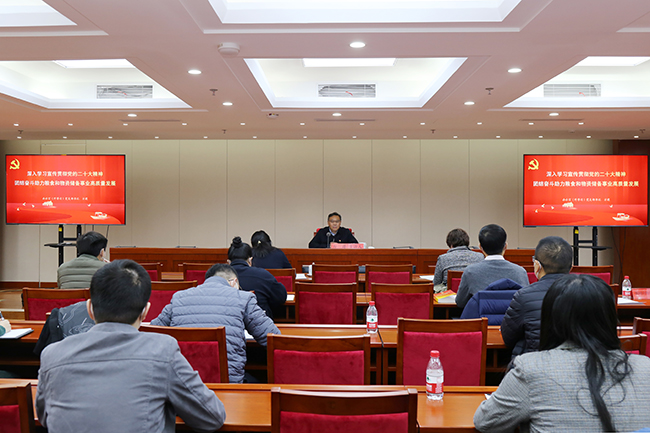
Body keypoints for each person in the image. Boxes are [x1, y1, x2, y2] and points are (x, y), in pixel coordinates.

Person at [36, 260, 225, 433]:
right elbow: (212, 416)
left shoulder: (52, 355)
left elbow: (44, 417)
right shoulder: (163, 351)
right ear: (145, 311)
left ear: (90, 309)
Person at [474, 274, 650, 432]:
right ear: (610, 318)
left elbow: (485, 422)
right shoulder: (645, 367)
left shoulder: (530, 369)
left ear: (551, 319)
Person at [152, 263, 280, 383]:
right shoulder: (243, 298)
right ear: (234, 282)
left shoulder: (179, 298)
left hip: (182, 381)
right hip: (228, 383)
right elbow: (274, 337)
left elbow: (152, 331)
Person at [501, 236, 573, 358]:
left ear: (537, 265)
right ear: (571, 267)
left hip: (535, 362)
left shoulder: (524, 296)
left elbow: (508, 338)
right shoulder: (590, 293)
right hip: (580, 366)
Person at [455, 224, 528, 309]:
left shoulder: (470, 272)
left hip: (482, 317)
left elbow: (460, 302)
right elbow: (526, 302)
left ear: (480, 247)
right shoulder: (520, 272)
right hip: (512, 317)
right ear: (505, 246)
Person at [227, 236, 287, 320]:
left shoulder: (218, 277)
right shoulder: (263, 275)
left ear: (228, 262)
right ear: (250, 260)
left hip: (227, 323)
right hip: (260, 322)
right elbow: (281, 297)